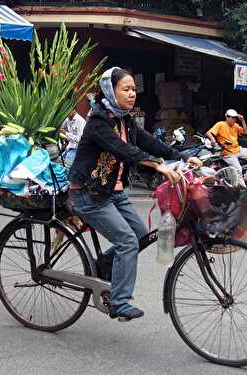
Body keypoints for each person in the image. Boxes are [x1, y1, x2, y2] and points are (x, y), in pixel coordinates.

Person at [67, 67, 202, 321]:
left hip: (112, 192)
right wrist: (156, 165)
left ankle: (104, 266)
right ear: (110, 90)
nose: (132, 95)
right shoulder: (98, 121)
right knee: (127, 241)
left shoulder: (124, 119)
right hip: (88, 194)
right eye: (125, 90)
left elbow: (148, 141)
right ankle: (119, 302)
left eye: (133, 90)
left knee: (140, 235)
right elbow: (122, 150)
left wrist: (181, 157)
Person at [206, 109, 247, 184]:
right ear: (227, 117)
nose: (234, 119)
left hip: (237, 149)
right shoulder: (220, 124)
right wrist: (212, 139)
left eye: (235, 118)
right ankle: (240, 189)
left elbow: (245, 132)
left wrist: (242, 120)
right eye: (232, 118)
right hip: (227, 153)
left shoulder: (235, 125)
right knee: (238, 169)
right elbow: (208, 133)